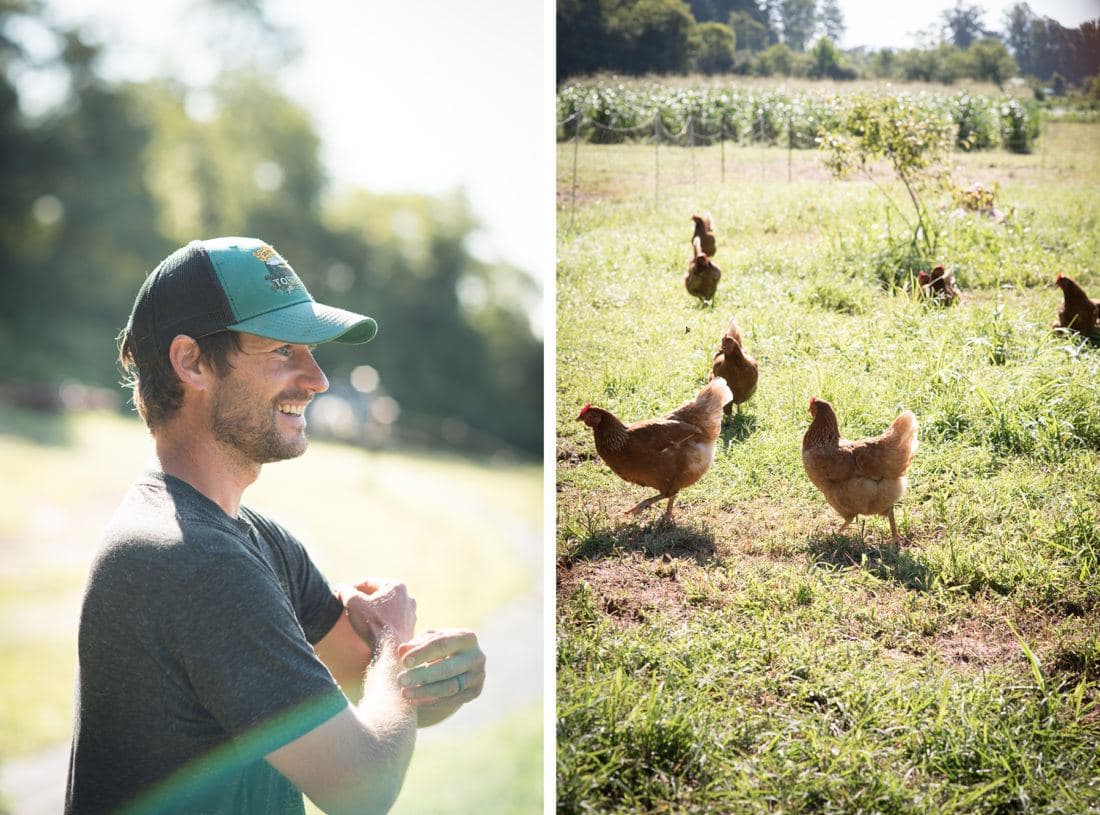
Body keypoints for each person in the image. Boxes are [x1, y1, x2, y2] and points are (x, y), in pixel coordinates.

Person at [65, 237, 486, 814]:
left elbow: (361, 684)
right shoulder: (191, 559)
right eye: (284, 350)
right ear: (191, 362)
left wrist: (443, 676)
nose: (317, 380)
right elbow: (361, 787)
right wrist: (394, 647)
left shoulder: (254, 540)